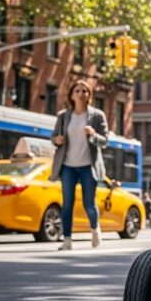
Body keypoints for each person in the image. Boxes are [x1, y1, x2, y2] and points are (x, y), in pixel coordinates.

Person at [49, 80, 110, 251]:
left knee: (88, 204)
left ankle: (95, 229)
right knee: (67, 204)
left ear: (89, 95)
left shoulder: (97, 116)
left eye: (85, 91)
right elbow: (53, 136)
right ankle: (67, 240)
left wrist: (94, 134)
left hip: (87, 166)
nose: (81, 93)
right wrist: (56, 139)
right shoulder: (63, 116)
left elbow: (105, 141)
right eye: (77, 90)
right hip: (67, 165)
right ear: (71, 94)